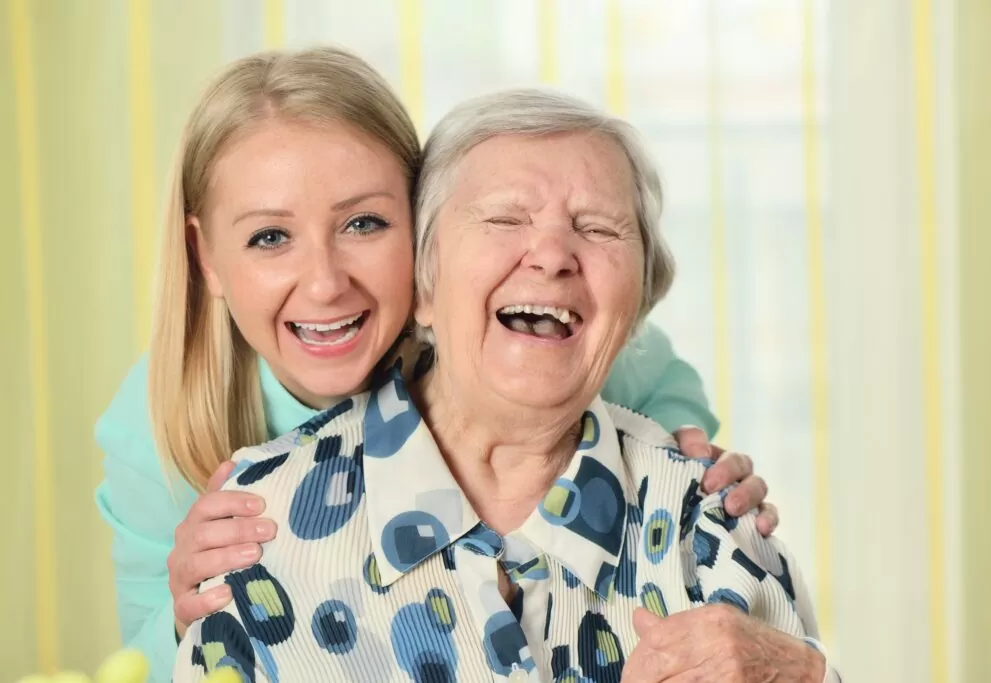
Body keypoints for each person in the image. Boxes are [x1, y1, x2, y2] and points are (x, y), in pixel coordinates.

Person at [94, 48, 776, 682]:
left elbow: (650, 365)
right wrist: (184, 613)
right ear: (206, 256)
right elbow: (138, 660)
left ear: (427, 237)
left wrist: (694, 454)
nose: (326, 282)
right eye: (270, 237)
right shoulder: (152, 429)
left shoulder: (528, 351)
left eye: (363, 224)